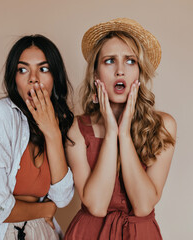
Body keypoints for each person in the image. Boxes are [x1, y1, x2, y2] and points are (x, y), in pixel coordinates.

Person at [64, 18, 177, 239]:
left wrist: (124, 134)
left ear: (140, 72)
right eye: (109, 61)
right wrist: (111, 133)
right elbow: (96, 206)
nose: (119, 71)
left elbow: (143, 205)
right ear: (96, 74)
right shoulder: (76, 129)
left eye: (130, 61)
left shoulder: (163, 125)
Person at [0, 35, 74, 240]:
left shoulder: (58, 123)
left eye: (43, 69)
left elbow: (63, 197)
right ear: (14, 77)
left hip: (42, 233)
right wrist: (44, 210)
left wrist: (53, 132)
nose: (33, 78)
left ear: (55, 77)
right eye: (23, 69)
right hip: (2, 233)